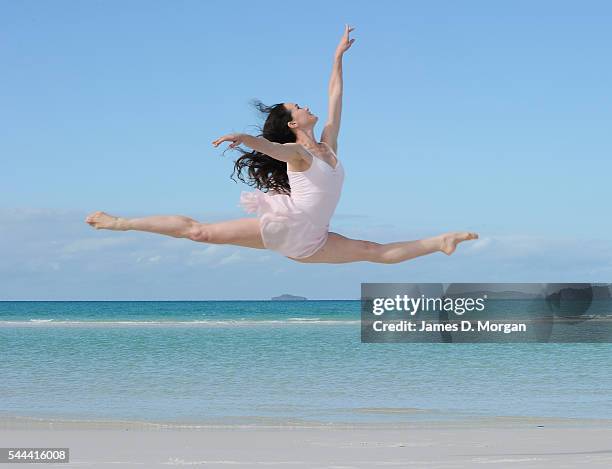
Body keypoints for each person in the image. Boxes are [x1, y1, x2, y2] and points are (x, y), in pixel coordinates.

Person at [86, 25, 478, 264]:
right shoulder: (298, 155)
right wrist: (242, 138)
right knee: (199, 232)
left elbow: (335, 95)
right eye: (299, 106)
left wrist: (338, 56)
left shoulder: (328, 144)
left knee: (374, 252)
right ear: (293, 123)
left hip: (313, 239)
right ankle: (121, 222)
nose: (309, 107)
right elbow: (269, 148)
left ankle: (440, 242)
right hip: (289, 225)